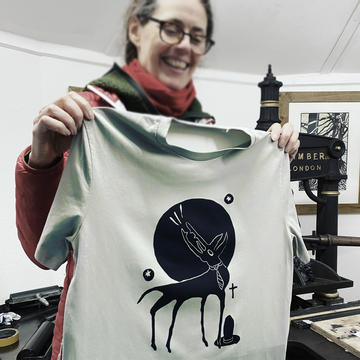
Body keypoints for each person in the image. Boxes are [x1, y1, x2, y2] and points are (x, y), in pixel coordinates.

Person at [15, 0, 300, 359]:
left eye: (198, 37)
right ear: (136, 29)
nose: (185, 45)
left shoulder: (205, 129)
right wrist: (43, 159)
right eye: (172, 28)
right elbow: (46, 252)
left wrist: (272, 164)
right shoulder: (85, 122)